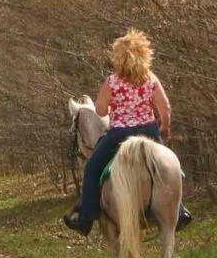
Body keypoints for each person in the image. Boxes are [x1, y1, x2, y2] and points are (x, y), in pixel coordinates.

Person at [62, 29, 193, 236]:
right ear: (144, 54)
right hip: (149, 132)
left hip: (119, 134)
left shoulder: (112, 82)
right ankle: (179, 210)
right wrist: (165, 128)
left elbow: (100, 110)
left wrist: (112, 108)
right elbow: (165, 107)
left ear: (118, 58)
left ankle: (86, 218)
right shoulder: (151, 79)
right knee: (170, 169)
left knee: (92, 169)